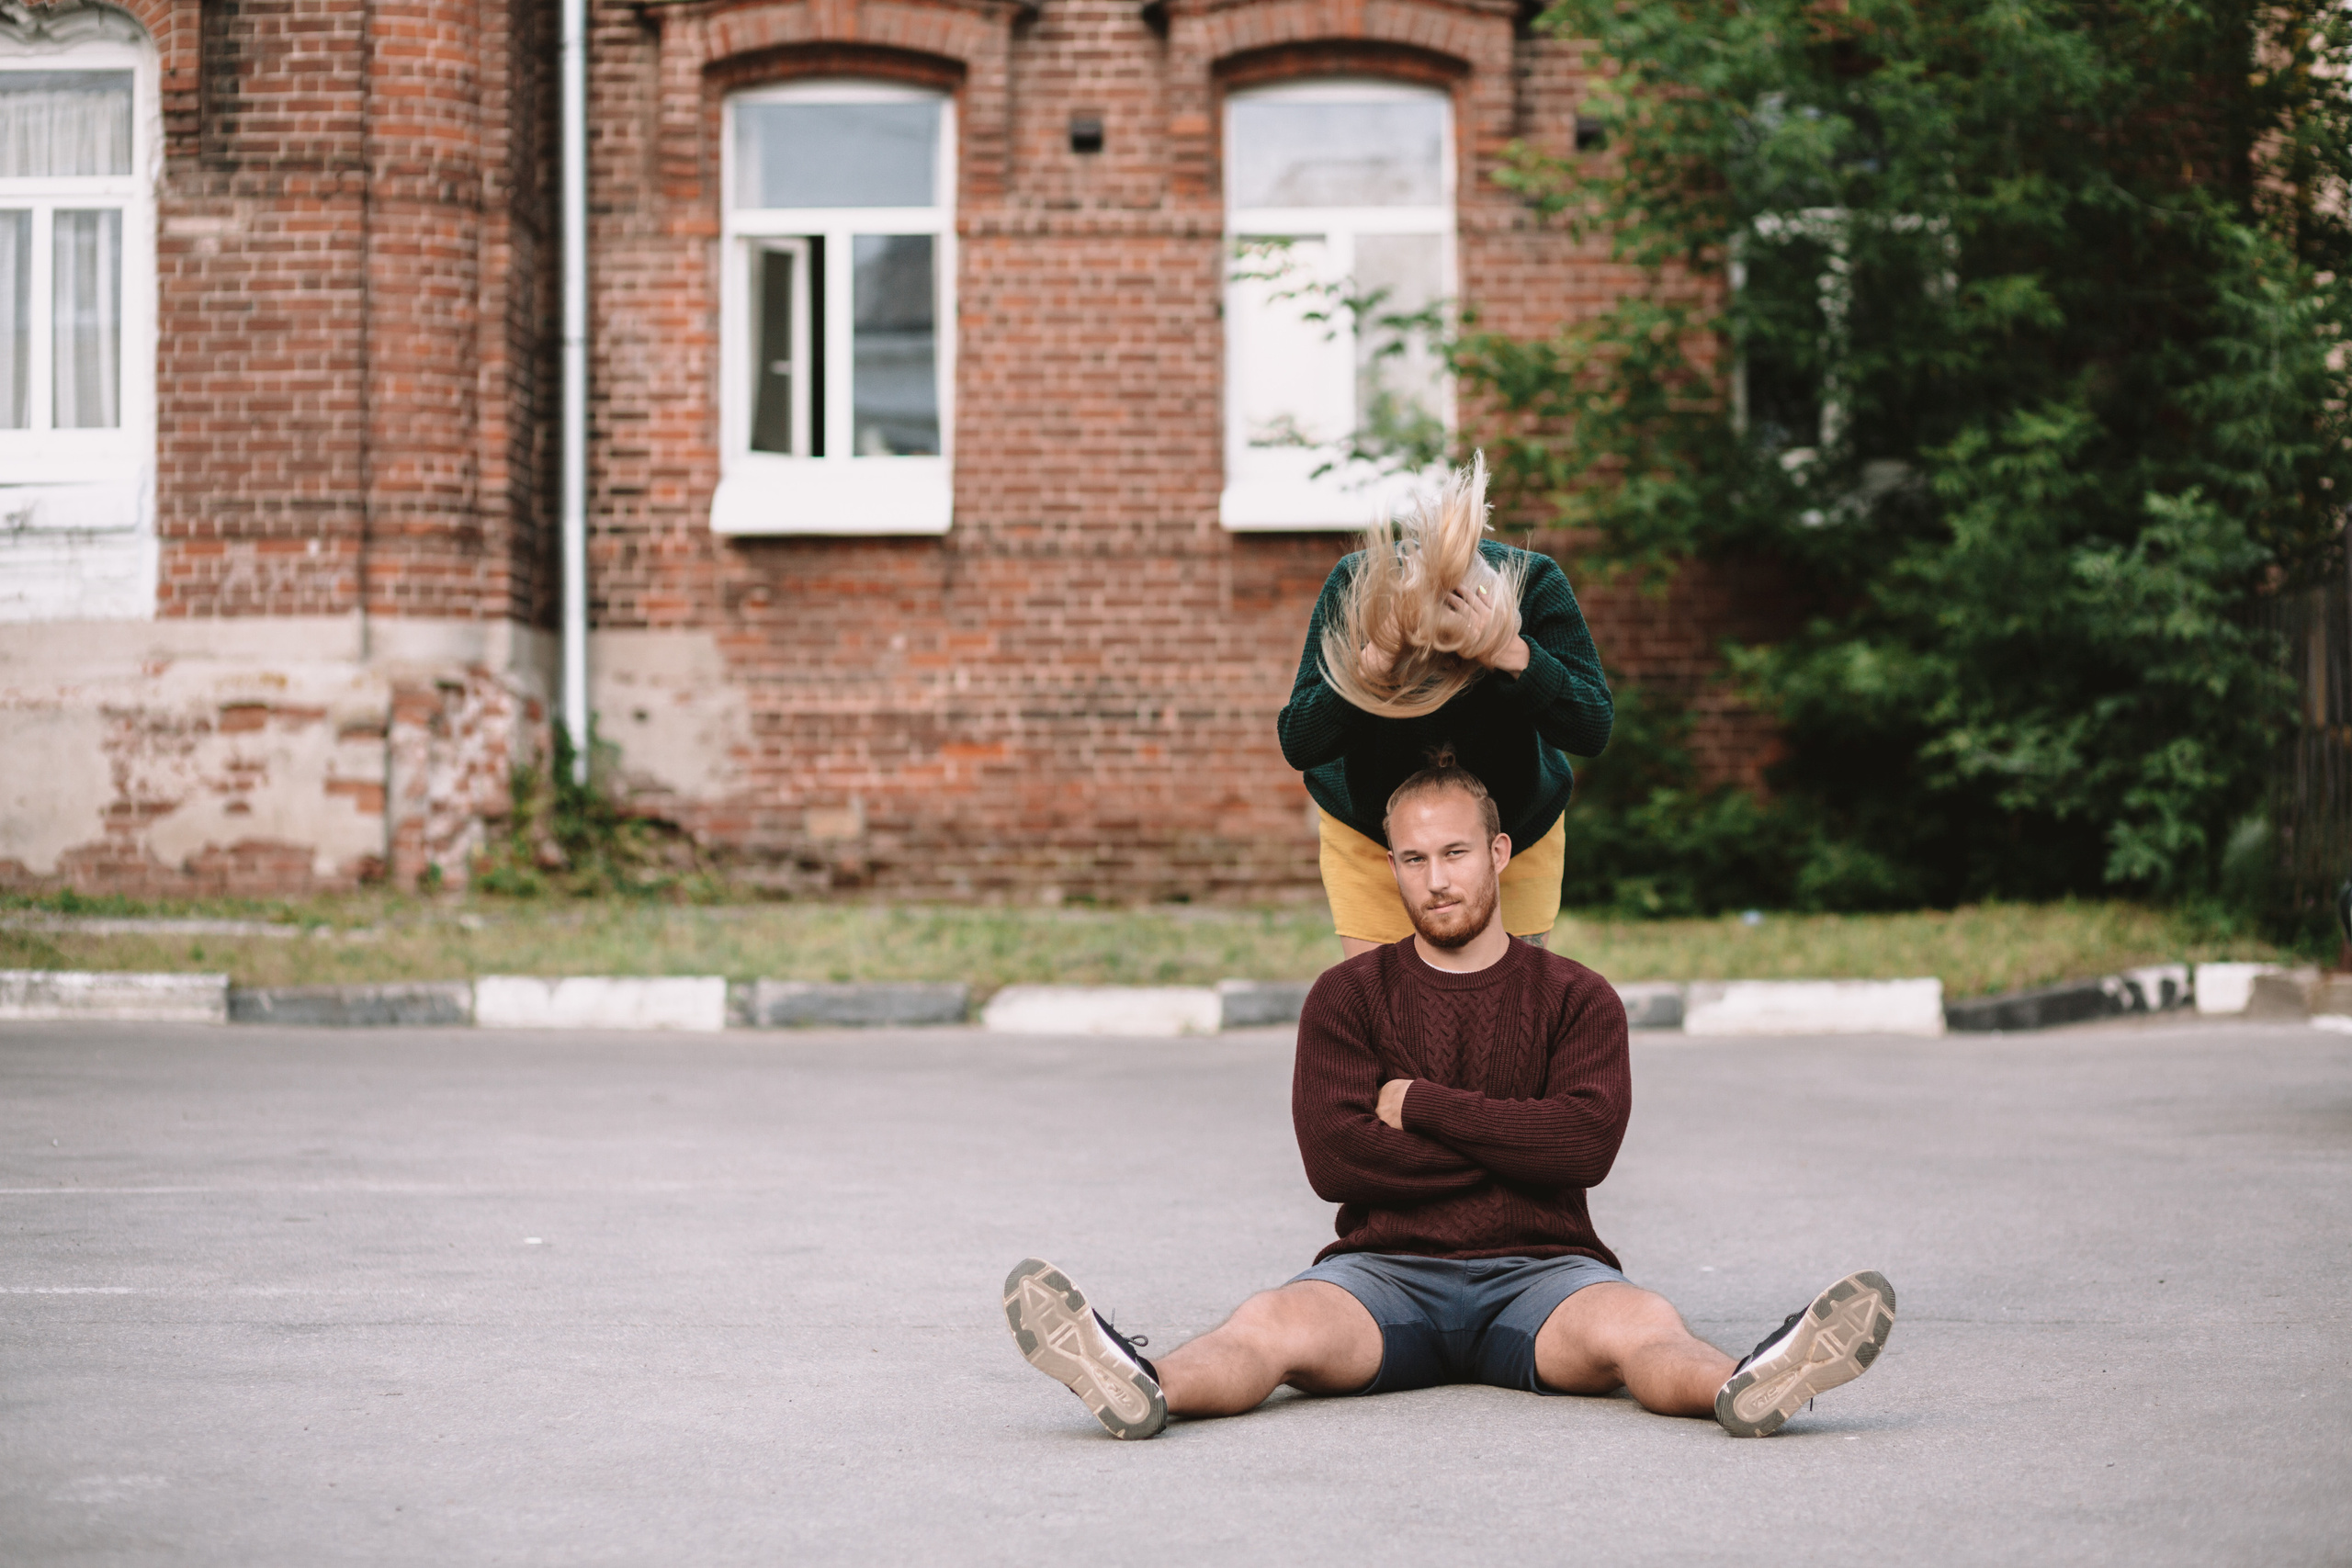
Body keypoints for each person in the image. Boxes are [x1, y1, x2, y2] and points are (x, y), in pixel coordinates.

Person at [1002, 759, 1895, 1440]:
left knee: (1646, 1327)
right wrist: (1516, 1146)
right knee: (1266, 1323)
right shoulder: (1347, 999)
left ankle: (1750, 1383)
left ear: (1499, 853)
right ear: (1390, 865)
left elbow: (1583, 1149)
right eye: (1414, 858)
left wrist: (1419, 1103)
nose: (1436, 879)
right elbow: (1334, 1161)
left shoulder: (1577, 998)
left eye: (1456, 852)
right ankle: (1139, 1383)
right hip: (1383, 1274)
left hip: (1546, 1275)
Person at [1278, 455, 1614, 959]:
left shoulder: (1537, 582)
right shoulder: (1355, 585)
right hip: (1376, 841)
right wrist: (1373, 665)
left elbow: (1591, 727)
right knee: (1390, 1018)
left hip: (1511, 840)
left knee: (1506, 1014)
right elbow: (1301, 741)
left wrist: (1514, 655)